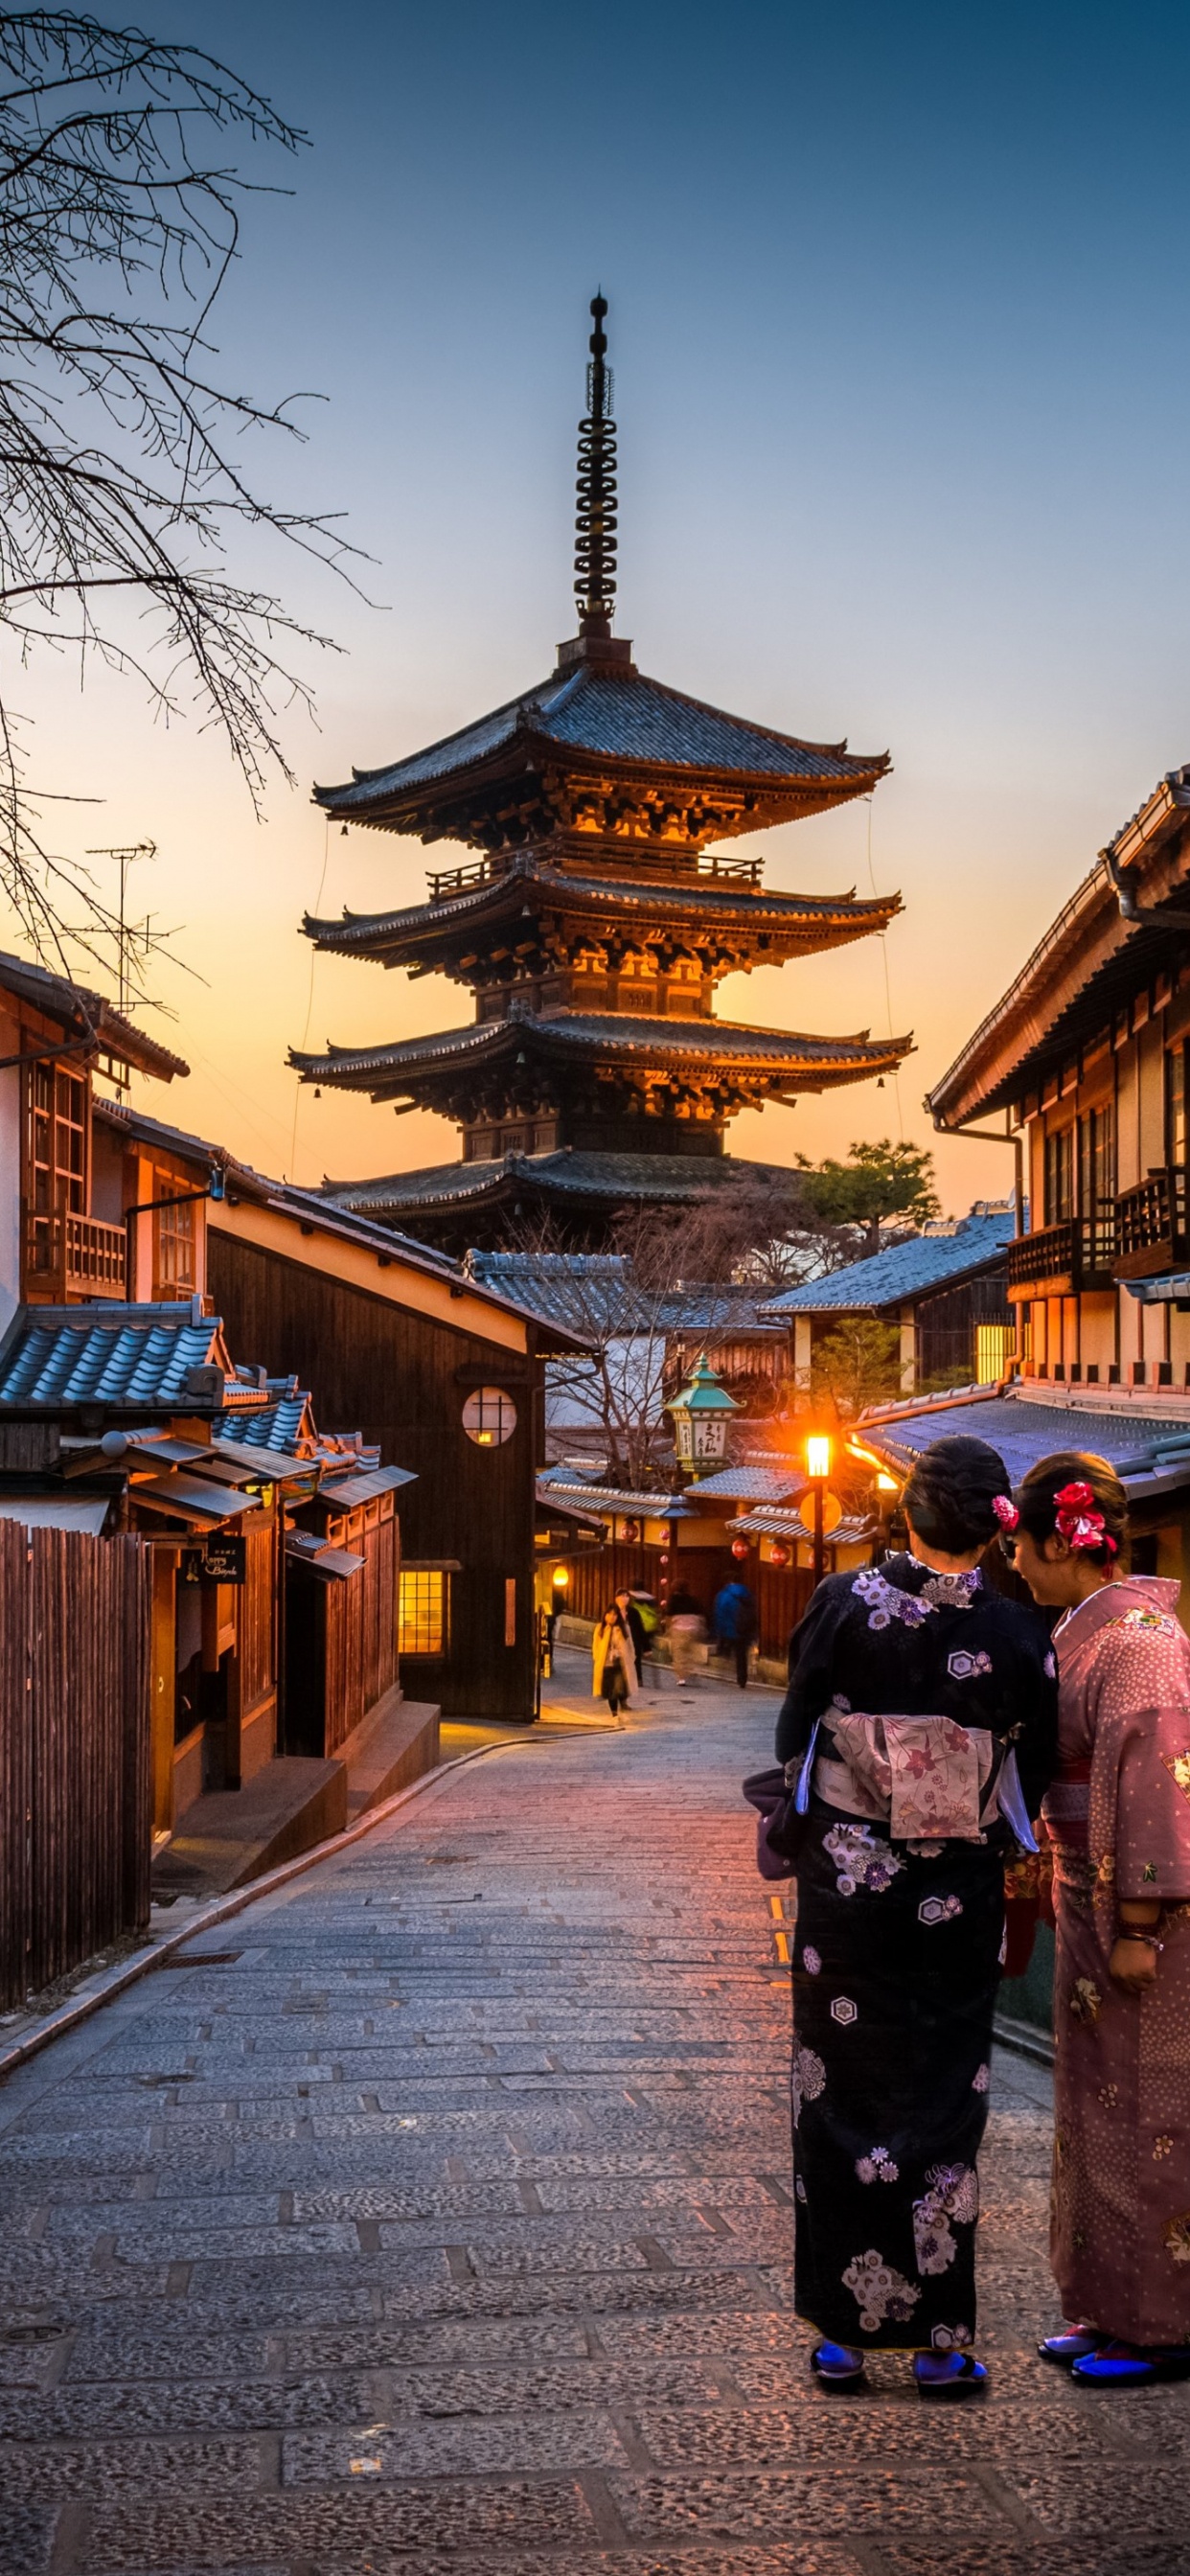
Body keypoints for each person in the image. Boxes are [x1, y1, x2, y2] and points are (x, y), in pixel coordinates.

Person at [776, 1435, 1057, 2396]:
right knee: (943, 2097)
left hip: (850, 1888)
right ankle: (942, 2340)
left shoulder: (838, 1601)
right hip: (957, 1893)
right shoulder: (1019, 1633)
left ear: (908, 1511)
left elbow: (797, 1723)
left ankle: (843, 2337)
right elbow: (1038, 1758)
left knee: (838, 2088)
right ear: (994, 1525)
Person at [1003, 1451, 1190, 2386]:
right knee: (1096, 2108)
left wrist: (1141, 1923)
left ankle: (1163, 2322)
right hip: (1087, 1893)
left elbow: (1157, 1781)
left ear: (1058, 1542)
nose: (1015, 1566)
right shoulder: (1089, 1632)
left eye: (1021, 1547)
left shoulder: (1142, 1644)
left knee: (1153, 2112)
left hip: (1134, 1915)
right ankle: (1107, 2304)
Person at [714, 1576, 758, 1688]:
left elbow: (720, 1614)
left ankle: (725, 1671)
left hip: (730, 1629)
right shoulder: (748, 1593)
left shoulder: (724, 1595)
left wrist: (719, 1631)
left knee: (730, 1651)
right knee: (742, 1654)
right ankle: (742, 1679)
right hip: (746, 1629)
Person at [592, 1602, 634, 1714]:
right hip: (605, 1664)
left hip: (620, 1664)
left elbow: (630, 1645)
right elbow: (595, 1646)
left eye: (615, 1615)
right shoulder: (600, 1628)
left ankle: (622, 1704)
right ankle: (614, 1714)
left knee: (620, 1689)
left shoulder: (623, 1628)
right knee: (611, 1691)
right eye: (609, 1614)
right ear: (605, 1615)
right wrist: (597, 1658)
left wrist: (629, 1657)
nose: (612, 1617)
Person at [666, 1585, 705, 1688]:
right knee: (691, 1650)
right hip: (693, 1628)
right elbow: (701, 1613)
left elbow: (668, 1614)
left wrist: (668, 1628)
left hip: (678, 1628)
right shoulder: (693, 1599)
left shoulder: (673, 1600)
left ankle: (681, 1678)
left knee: (679, 1653)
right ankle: (691, 1669)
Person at [614, 1588, 649, 1690]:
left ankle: (638, 1679)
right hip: (617, 1641)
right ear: (616, 1598)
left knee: (635, 1659)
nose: (625, 1598)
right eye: (622, 1596)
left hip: (633, 1640)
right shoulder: (613, 1611)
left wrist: (647, 1647)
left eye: (627, 1596)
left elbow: (640, 1629)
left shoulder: (634, 1612)